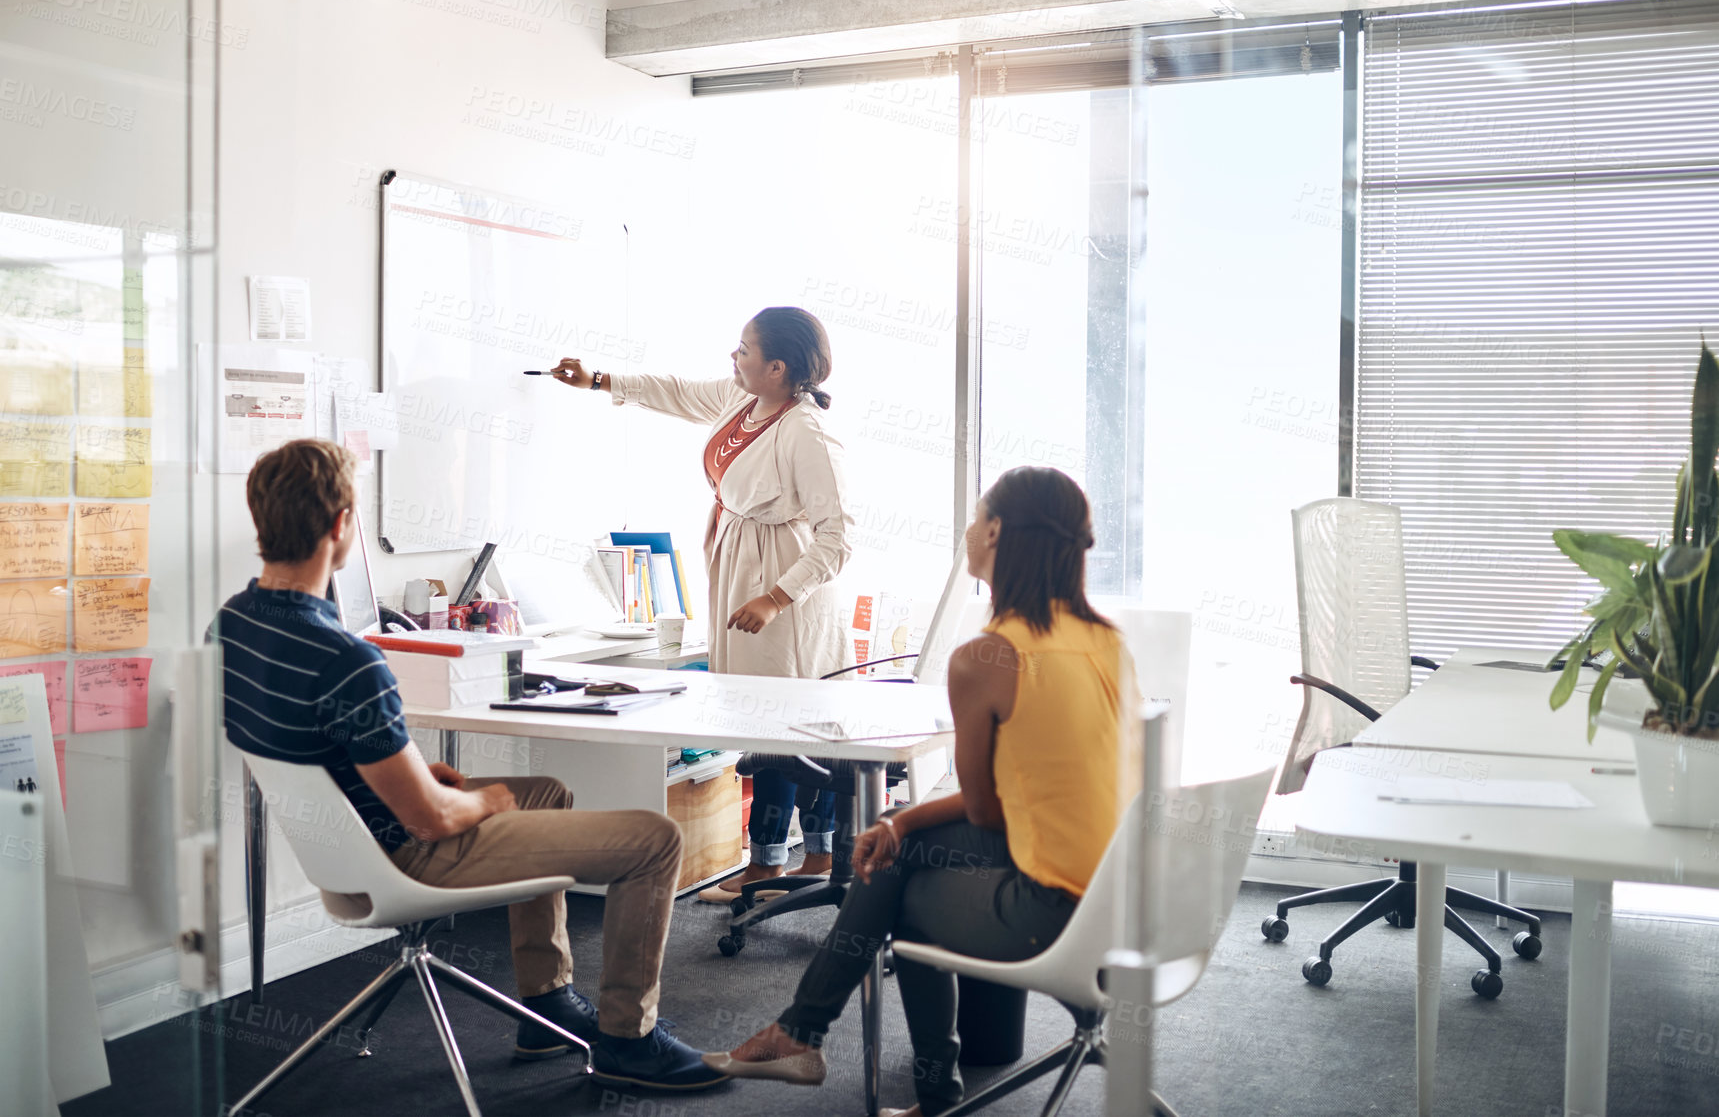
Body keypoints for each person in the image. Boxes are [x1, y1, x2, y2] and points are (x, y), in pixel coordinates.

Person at [217, 438, 726, 1092]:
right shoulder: (348, 659)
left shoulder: (233, 624)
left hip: (340, 843)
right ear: (343, 525)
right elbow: (430, 821)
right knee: (654, 840)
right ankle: (630, 1040)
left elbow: (317, 747)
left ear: (261, 521)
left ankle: (545, 1005)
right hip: (403, 853)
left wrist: (420, 774)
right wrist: (482, 803)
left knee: (542, 790)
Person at [702, 466, 1135, 1117]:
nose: (966, 530)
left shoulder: (988, 657)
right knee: (897, 853)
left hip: (1053, 911)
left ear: (992, 531)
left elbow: (988, 809)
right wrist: (902, 823)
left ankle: (833, 1048)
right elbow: (1025, 792)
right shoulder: (1108, 642)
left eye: (973, 516)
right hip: (1120, 898)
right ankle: (817, 1042)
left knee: (894, 891)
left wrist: (901, 829)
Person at [552, 306, 853, 901]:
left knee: (786, 729)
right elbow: (678, 392)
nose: (732, 357)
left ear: (778, 366)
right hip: (743, 567)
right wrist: (600, 381)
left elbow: (837, 538)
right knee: (765, 722)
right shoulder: (745, 400)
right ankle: (800, 856)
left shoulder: (806, 431)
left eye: (743, 350)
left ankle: (783, 862)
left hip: (786, 586)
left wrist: (774, 598)